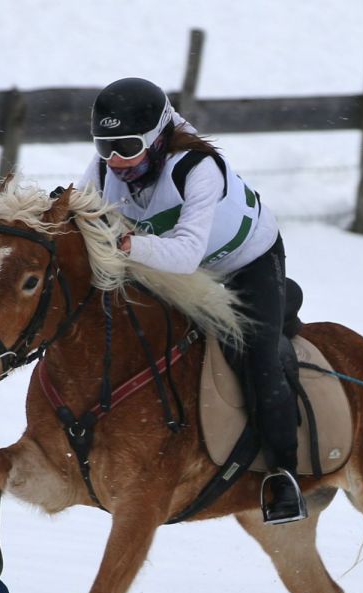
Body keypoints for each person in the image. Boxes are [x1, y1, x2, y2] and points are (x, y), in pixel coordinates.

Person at [78, 77, 306, 525]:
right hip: (167, 260)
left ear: (158, 138)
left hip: (246, 262)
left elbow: (184, 255)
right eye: (105, 147)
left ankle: (283, 475)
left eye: (127, 146)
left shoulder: (198, 168)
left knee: (257, 356)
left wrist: (124, 245)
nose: (115, 160)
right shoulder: (106, 166)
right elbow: (81, 208)